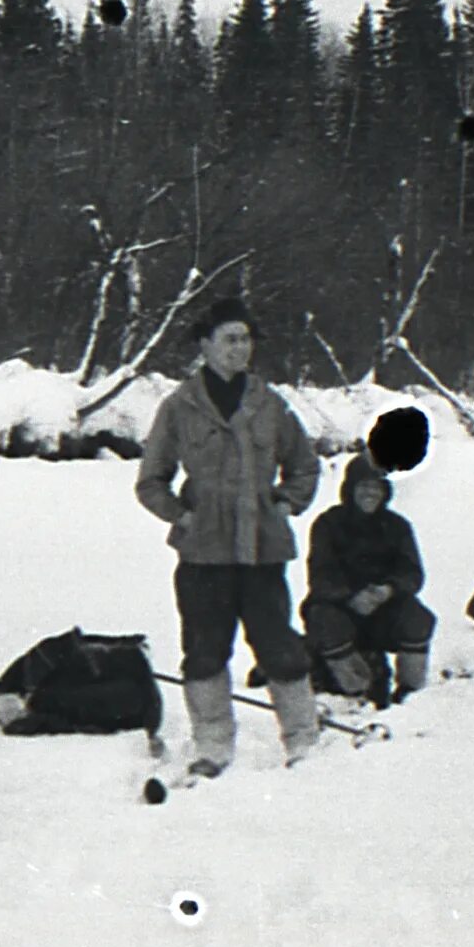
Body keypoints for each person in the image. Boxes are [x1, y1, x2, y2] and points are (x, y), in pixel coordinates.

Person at [133, 295, 324, 773]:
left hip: (263, 551)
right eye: (229, 339)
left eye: (246, 340)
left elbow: (304, 467)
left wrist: (284, 504)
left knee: (278, 644)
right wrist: (182, 516)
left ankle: (303, 739)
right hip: (203, 555)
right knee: (204, 649)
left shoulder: (271, 405)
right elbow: (150, 480)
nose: (239, 350)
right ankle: (212, 746)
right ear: (205, 345)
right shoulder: (179, 407)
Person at [302, 454, 435, 708]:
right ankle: (356, 690)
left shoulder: (397, 527)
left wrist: (387, 590)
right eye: (363, 486)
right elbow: (320, 576)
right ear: (349, 488)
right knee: (325, 620)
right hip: (339, 608)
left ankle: (412, 695)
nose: (370, 493)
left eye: (376, 487)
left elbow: (412, 574)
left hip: (384, 608)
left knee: (418, 619)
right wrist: (351, 596)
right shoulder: (328, 524)